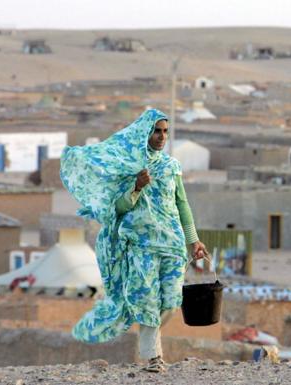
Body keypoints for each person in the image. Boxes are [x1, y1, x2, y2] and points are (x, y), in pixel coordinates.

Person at [60, 109, 207, 373]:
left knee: (171, 301)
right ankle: (154, 357)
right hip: (141, 245)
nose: (161, 136)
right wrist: (137, 187)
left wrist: (193, 241)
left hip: (172, 244)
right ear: (144, 133)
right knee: (148, 299)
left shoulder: (171, 166)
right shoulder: (128, 169)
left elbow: (182, 204)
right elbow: (116, 209)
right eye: (156, 131)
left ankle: (150, 342)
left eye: (165, 131)